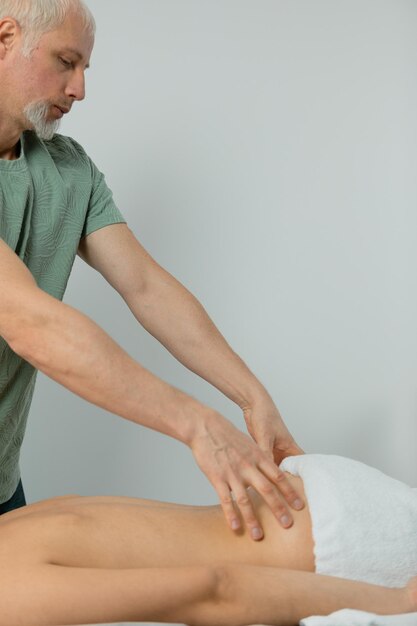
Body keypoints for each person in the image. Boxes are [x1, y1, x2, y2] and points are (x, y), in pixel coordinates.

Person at [0, 0, 304, 536]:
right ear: (5, 38)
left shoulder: (68, 168)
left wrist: (251, 397)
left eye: (85, 69)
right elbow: (31, 324)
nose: (79, 89)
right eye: (65, 61)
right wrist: (195, 423)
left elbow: (146, 287)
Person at [0, 452, 416, 626]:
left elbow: (216, 589)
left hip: (328, 549)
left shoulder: (8, 592)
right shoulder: (10, 530)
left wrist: (398, 604)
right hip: (312, 499)